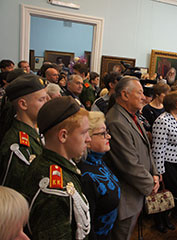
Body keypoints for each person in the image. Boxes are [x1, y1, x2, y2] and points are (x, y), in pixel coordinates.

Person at [23, 96, 91, 239]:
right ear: (63, 136)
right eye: (84, 133)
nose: (89, 139)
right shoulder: (54, 191)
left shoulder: (53, 164)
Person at [105, 76, 159, 240]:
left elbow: (147, 148)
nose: (144, 97)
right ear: (125, 95)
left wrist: (155, 173)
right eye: (140, 93)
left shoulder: (132, 116)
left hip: (136, 191)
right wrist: (150, 184)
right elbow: (128, 164)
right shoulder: (116, 121)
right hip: (126, 196)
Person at [0, 74, 47, 191]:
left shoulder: (32, 131)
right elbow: (13, 193)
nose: (47, 103)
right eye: (41, 99)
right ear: (23, 104)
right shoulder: (17, 145)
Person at [78, 111, 120, 239]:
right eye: (103, 133)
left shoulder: (99, 160)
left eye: (107, 132)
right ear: (88, 139)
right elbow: (87, 226)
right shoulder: (85, 176)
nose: (108, 137)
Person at [151, 91, 177, 232]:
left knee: (173, 193)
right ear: (173, 104)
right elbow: (158, 149)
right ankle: (159, 221)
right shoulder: (162, 120)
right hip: (167, 163)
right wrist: (159, 171)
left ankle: (166, 217)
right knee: (163, 192)